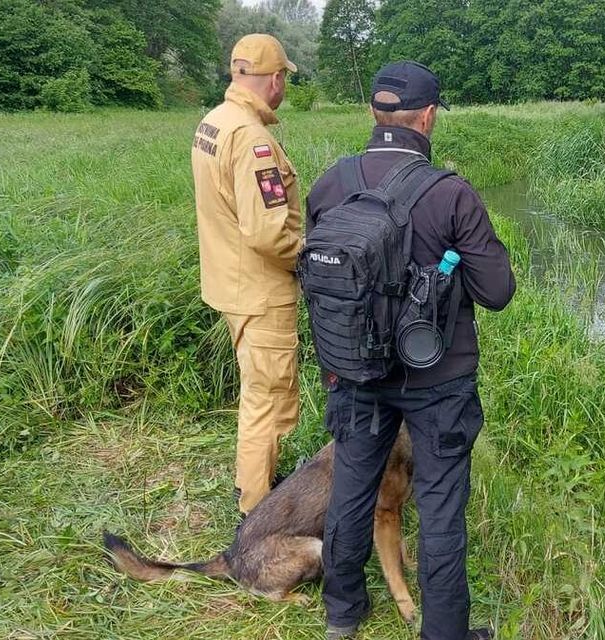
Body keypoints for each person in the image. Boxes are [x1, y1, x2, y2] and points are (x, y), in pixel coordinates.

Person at [306, 61, 516, 640]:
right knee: (442, 505)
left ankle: (343, 612)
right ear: (428, 117)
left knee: (352, 485)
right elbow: (497, 293)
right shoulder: (450, 193)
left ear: (376, 114)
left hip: (353, 371)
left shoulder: (330, 183)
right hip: (439, 378)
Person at [191, 34, 303, 515]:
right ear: (275, 79)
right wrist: (312, 259)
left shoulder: (214, 122)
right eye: (285, 80)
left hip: (231, 283)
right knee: (270, 400)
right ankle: (257, 510)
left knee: (257, 389)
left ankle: (253, 486)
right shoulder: (252, 138)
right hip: (260, 291)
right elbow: (268, 232)